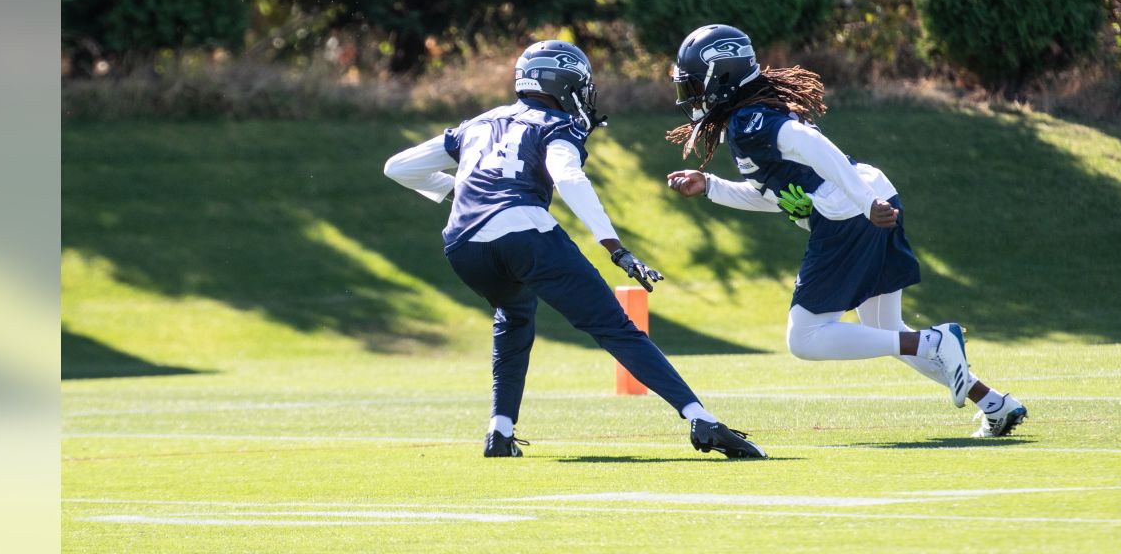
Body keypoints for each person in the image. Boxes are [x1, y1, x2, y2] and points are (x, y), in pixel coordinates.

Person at [384, 39, 767, 458]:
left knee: (512, 316)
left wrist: (461, 192)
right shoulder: (556, 124)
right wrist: (615, 247)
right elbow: (568, 178)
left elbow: (398, 167)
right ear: (565, 83)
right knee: (613, 327)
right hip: (522, 231)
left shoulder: (477, 123)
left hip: (462, 246)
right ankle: (701, 418)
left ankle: (500, 431)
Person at [664, 24, 1027, 438]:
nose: (688, 96)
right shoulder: (752, 116)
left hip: (852, 214)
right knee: (884, 330)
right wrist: (710, 186)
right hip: (869, 196)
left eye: (693, 85)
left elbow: (813, 148)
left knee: (805, 338)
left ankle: (934, 341)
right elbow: (775, 194)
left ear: (721, 79)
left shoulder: (751, 122)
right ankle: (993, 403)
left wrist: (863, 203)